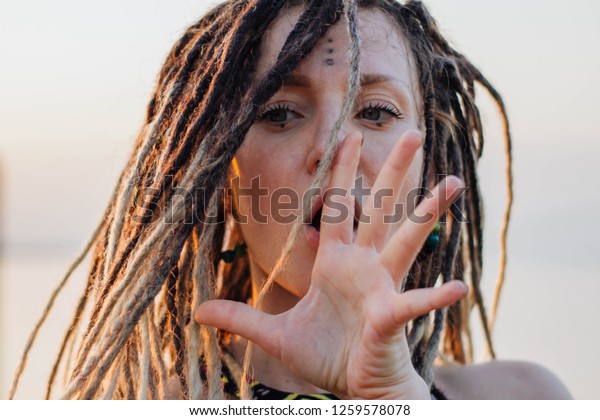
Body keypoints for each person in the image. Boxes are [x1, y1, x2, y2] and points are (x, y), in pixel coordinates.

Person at [10, 0, 571, 400]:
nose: (331, 147)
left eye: (376, 111)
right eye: (279, 113)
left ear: (431, 167)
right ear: (221, 177)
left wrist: (394, 399)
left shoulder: (526, 399)